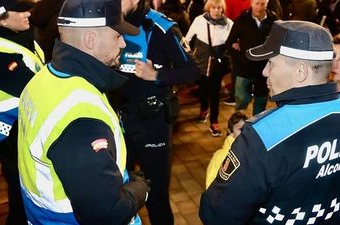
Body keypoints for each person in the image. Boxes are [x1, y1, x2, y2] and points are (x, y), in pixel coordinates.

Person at [199, 20, 340, 225]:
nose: (264, 72)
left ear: (301, 72)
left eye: (271, 63)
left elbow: (216, 215)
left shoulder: (262, 136)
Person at [17, 0, 151, 224]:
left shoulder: (43, 78)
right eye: (117, 36)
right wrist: (140, 190)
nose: (122, 45)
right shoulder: (81, 116)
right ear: (91, 40)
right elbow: (106, 213)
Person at [117, 0, 201, 224]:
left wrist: (156, 76)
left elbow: (193, 70)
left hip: (152, 123)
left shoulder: (162, 27)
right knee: (118, 190)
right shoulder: (111, 22)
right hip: (118, 119)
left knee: (156, 195)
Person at [0, 1, 44, 224]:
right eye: (19, 10)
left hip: (29, 131)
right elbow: (32, 88)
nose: (28, 13)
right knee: (22, 204)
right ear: (0, 18)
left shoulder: (22, 39)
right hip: (15, 136)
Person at [185, 0, 233, 137]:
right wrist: (188, 56)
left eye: (219, 8)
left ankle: (214, 120)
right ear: (208, 8)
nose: (216, 10)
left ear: (222, 9)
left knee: (215, 92)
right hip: (200, 61)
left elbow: (234, 42)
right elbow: (187, 39)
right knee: (202, 88)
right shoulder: (199, 21)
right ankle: (203, 108)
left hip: (217, 65)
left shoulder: (229, 24)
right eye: (213, 7)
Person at [225, 0, 278, 116]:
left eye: (262, 4)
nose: (259, 7)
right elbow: (230, 42)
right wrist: (240, 57)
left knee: (261, 100)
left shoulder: (274, 21)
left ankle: (255, 127)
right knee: (242, 99)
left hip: (264, 69)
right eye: (257, 4)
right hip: (244, 68)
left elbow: (279, 43)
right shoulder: (241, 20)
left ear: (267, 4)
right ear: (251, 3)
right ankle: (236, 125)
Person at [205, 111, 247, 188]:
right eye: (240, 129)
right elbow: (210, 181)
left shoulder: (250, 151)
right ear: (230, 131)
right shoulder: (221, 156)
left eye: (246, 129)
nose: (244, 132)